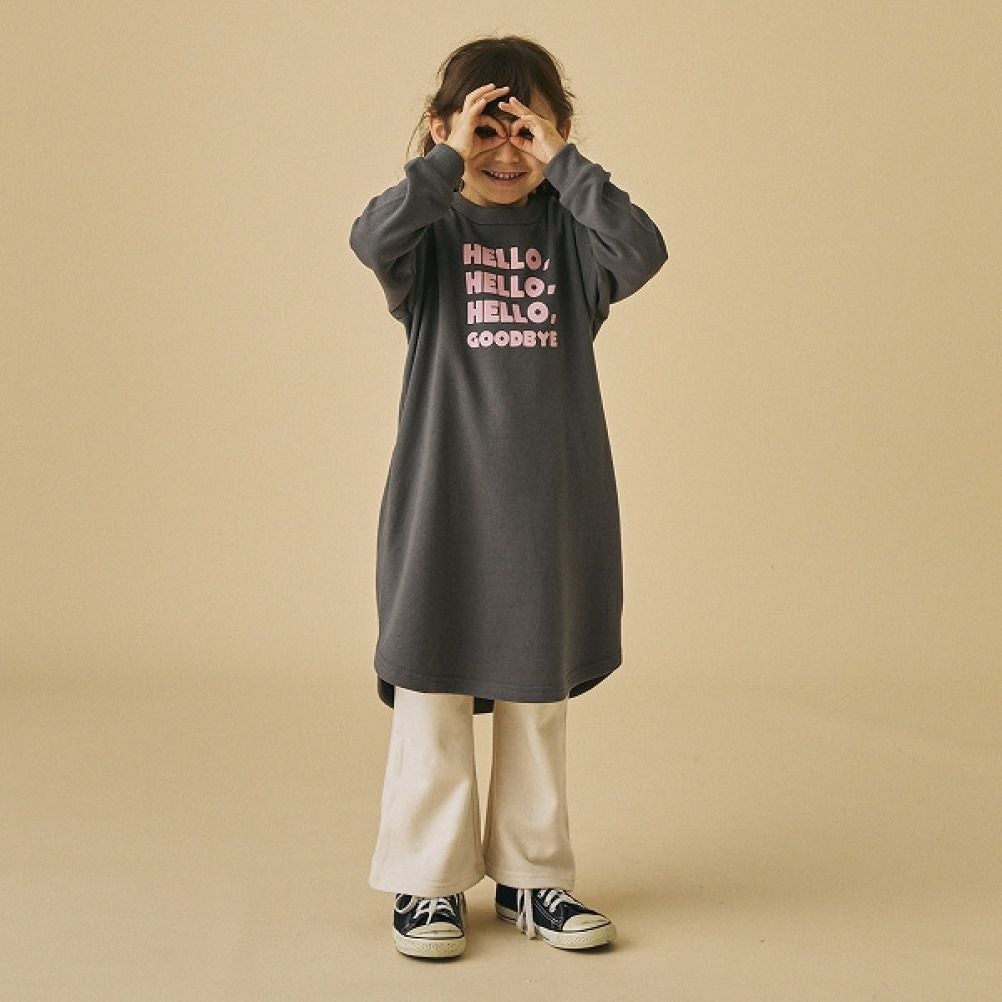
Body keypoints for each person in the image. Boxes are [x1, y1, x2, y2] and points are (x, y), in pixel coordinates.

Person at [349, 34, 669, 959]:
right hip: (443, 502)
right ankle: (428, 883)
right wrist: (444, 162)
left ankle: (534, 878)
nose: (504, 150)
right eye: (484, 129)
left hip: (548, 511)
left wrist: (566, 168)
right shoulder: (429, 236)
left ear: (558, 134)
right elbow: (370, 237)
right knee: (433, 695)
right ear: (443, 132)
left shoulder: (575, 239)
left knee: (537, 699)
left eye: (525, 130)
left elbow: (643, 249)